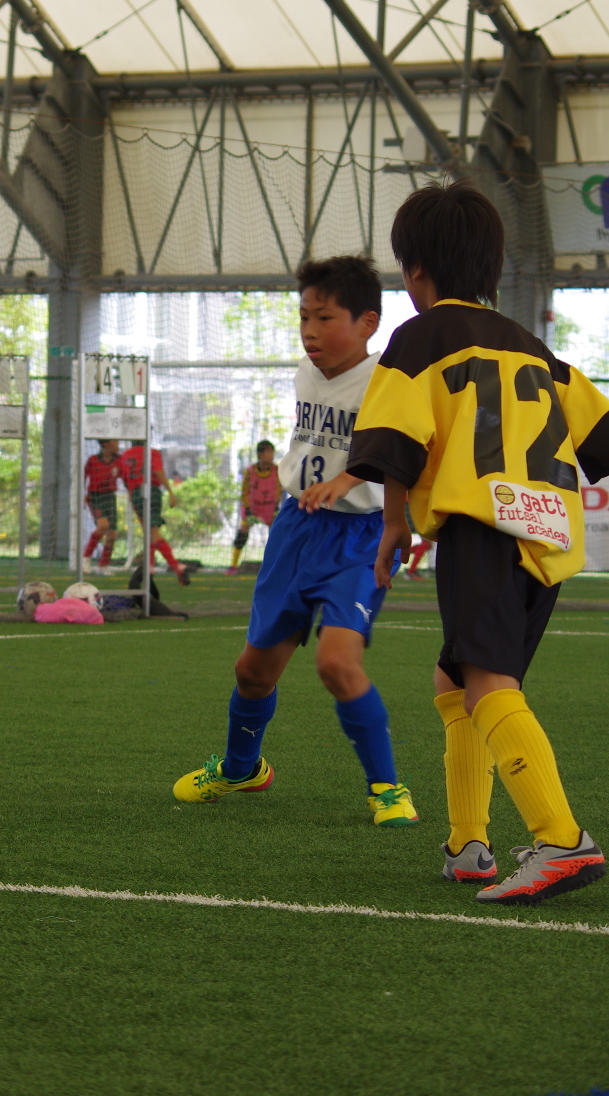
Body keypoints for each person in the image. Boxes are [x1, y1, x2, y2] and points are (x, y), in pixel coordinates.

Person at [347, 181, 609, 905]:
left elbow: (394, 438)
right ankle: (468, 844)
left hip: (483, 524)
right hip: (547, 531)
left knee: (487, 682)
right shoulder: (528, 345)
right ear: (491, 267)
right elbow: (602, 424)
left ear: (415, 270)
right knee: (456, 680)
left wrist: (392, 525)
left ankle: (562, 840)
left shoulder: (418, 338)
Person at [173, 256, 418, 828]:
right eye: (304, 317)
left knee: (336, 663)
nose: (310, 331)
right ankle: (242, 768)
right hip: (296, 528)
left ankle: (387, 788)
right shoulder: (307, 371)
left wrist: (348, 481)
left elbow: (406, 452)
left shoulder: (389, 382)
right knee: (252, 672)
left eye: (325, 318)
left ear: (368, 322)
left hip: (359, 537)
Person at [119, 439, 188, 586]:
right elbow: (158, 471)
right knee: (153, 532)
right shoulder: (152, 452)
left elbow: (126, 478)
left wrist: (131, 496)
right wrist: (170, 492)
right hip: (151, 492)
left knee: (150, 532)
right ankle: (174, 566)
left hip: (136, 493)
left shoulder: (125, 455)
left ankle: (152, 567)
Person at [227, 440, 281, 575]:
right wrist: (247, 508)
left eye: (272, 451)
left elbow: (278, 489)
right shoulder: (250, 471)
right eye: (268, 452)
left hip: (269, 509)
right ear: (260, 454)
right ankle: (233, 565)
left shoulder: (277, 470)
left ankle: (273, 565)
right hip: (253, 509)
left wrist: (276, 505)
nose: (271, 455)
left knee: (276, 535)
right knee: (242, 534)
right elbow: (245, 490)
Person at [81, 439, 123, 573]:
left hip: (110, 496)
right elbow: (82, 477)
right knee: (103, 526)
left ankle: (103, 566)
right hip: (95, 496)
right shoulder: (93, 460)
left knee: (112, 535)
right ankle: (86, 558)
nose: (118, 445)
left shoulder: (120, 460)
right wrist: (82, 494)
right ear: (106, 444)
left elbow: (126, 477)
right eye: (115, 442)